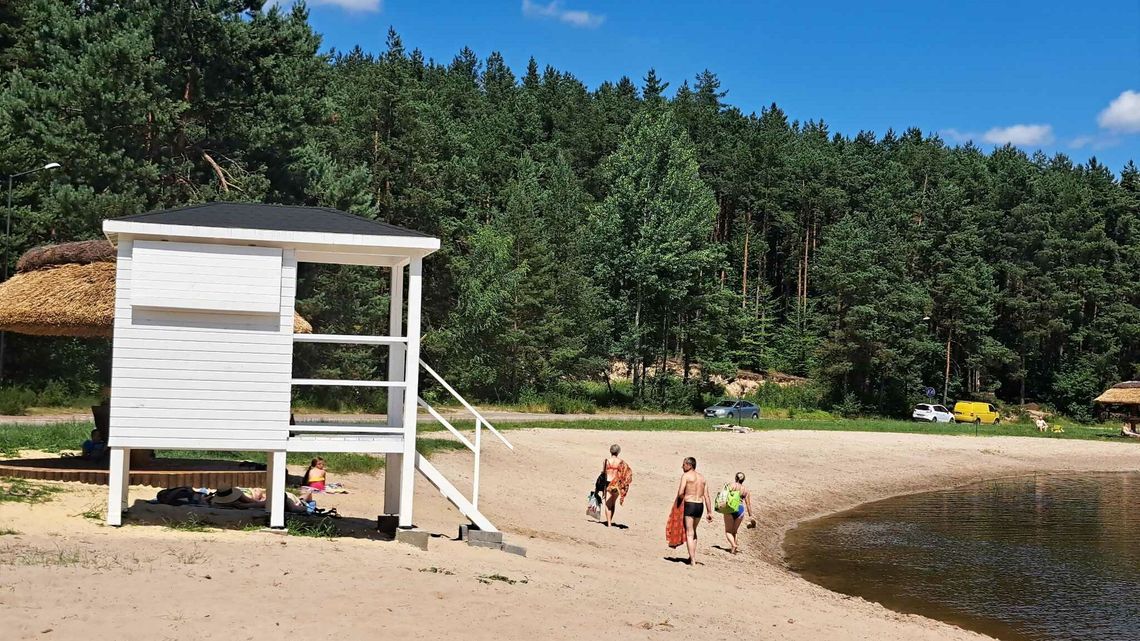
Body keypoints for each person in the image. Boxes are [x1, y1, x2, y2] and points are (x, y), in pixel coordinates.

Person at [674, 456, 713, 565]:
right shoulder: (702, 478)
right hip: (700, 506)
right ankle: (691, 556)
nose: (682, 466)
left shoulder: (686, 476)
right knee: (694, 531)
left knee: (689, 533)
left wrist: (679, 503)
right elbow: (707, 496)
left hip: (689, 504)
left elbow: (680, 492)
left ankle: (692, 559)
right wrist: (709, 512)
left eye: (684, 464)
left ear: (689, 465)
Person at [721, 472, 756, 554]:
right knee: (735, 531)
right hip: (740, 509)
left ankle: (733, 545)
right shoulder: (746, 490)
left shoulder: (731, 485)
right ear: (743, 480)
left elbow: (723, 495)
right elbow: (748, 504)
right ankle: (734, 550)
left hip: (730, 508)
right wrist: (751, 516)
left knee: (728, 531)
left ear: (735, 478)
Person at [599, 444, 632, 527]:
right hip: (617, 484)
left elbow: (604, 472)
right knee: (613, 503)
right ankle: (610, 521)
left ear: (610, 451)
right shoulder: (621, 462)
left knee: (607, 504)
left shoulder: (606, 461)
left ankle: (609, 523)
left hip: (608, 482)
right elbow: (626, 472)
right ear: (618, 452)